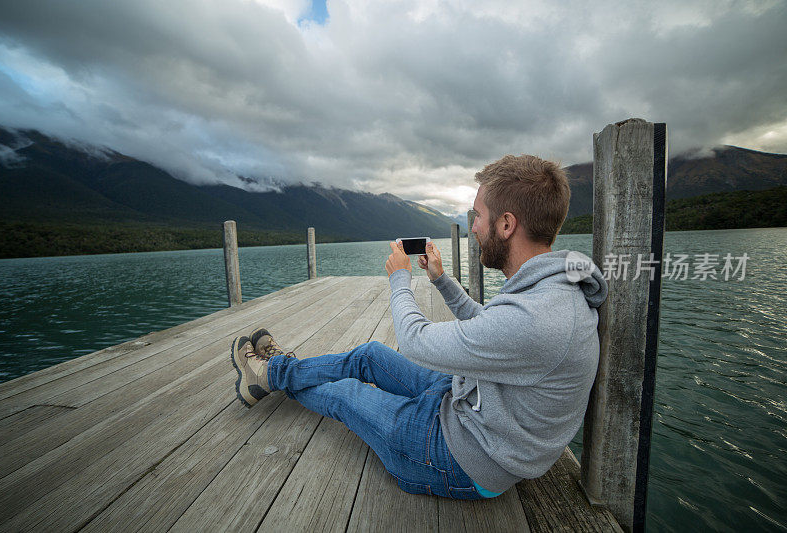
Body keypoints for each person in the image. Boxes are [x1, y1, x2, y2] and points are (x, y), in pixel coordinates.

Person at [230, 154, 608, 500]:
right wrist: (441, 280)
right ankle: (274, 374)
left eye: (477, 214)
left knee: (346, 393)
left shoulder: (539, 318)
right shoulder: (549, 289)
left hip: (465, 457)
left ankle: (271, 374)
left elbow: (414, 341)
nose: (472, 226)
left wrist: (400, 278)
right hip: (475, 407)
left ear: (506, 224)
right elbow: (492, 328)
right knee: (370, 356)